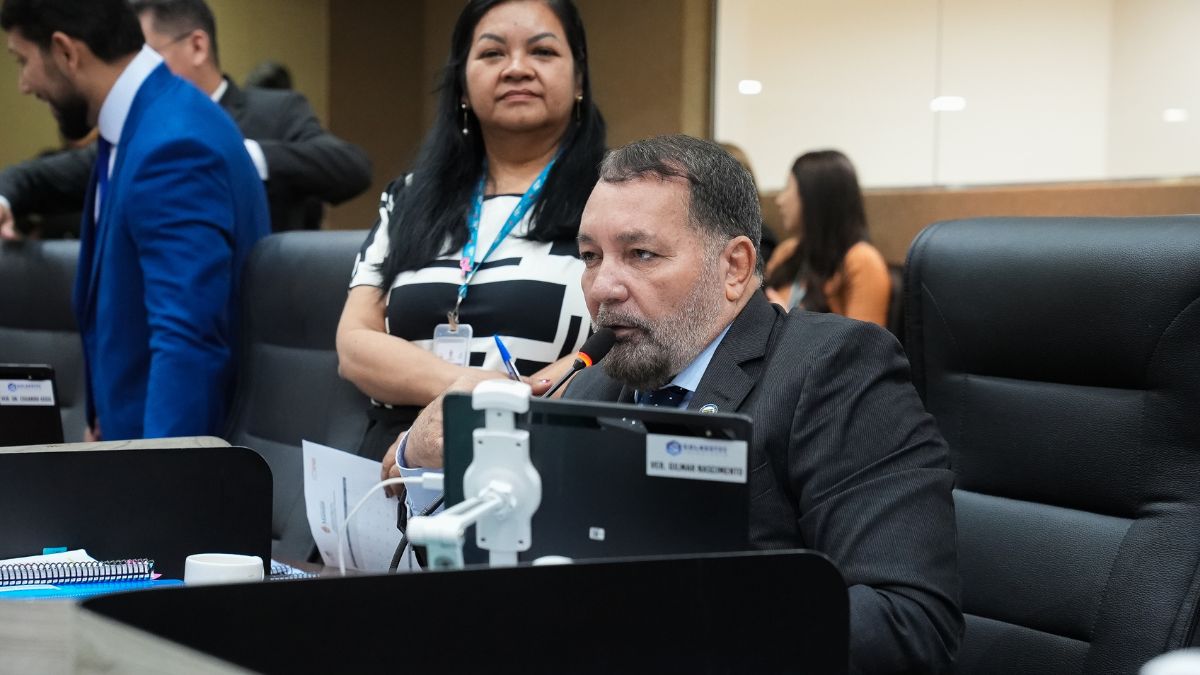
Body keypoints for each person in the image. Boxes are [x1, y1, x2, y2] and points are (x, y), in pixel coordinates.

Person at [397, 136, 962, 673]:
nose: (602, 288)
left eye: (640, 254)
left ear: (734, 267)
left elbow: (908, 621)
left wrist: (659, 629)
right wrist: (426, 472)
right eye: (590, 256)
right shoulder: (593, 389)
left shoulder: (833, 368)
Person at [336, 0, 606, 467]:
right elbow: (354, 344)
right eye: (492, 53)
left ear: (579, 79)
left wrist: (507, 406)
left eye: (542, 52)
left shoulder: (615, 193)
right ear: (462, 84)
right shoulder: (411, 196)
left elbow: (629, 340)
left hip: (540, 450)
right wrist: (475, 391)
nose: (517, 68)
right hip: (394, 459)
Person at [1, 0, 270, 439]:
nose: (25, 84)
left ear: (66, 51)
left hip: (170, 465)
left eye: (22, 61)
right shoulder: (140, 125)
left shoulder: (172, 144)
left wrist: (149, 472)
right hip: (127, 446)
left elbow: (187, 345)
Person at [0, 0, 370, 238]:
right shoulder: (135, 131)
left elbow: (350, 167)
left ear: (197, 46)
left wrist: (234, 155)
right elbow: (41, 176)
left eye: (146, 56)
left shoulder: (275, 111)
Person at [764, 149, 891, 326]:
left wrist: (789, 324)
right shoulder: (787, 251)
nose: (780, 200)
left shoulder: (863, 261)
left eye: (788, 188)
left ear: (814, 197)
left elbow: (863, 342)